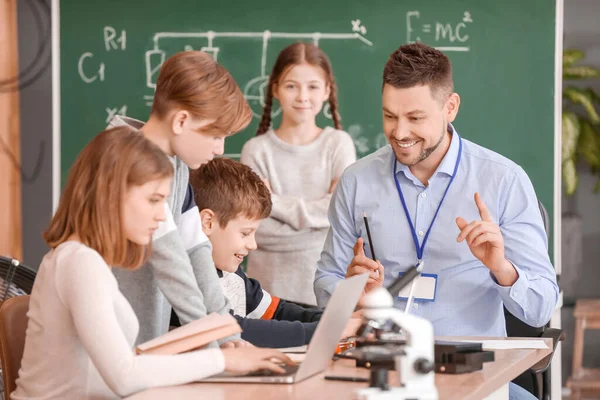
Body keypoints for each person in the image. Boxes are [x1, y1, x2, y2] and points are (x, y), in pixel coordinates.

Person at [313, 42, 558, 400]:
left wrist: (502, 268)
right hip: (382, 372)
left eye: (415, 118)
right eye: (389, 116)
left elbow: (539, 309)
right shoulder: (357, 181)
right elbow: (325, 284)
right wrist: (352, 293)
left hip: (476, 375)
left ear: (450, 108)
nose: (399, 132)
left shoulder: (503, 180)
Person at [12, 127, 292, 400]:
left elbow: (122, 362)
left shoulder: (91, 261)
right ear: (113, 193)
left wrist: (214, 349)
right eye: (154, 200)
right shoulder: (79, 263)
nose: (161, 217)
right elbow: (124, 375)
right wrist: (220, 359)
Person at [107, 50, 252, 344]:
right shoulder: (129, 164)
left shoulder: (176, 166)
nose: (220, 149)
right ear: (181, 121)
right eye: (215, 135)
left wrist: (225, 333)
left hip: (144, 349)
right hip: (111, 351)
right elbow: (173, 266)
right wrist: (212, 345)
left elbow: (196, 250)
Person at [189, 158, 361, 348]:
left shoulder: (233, 274)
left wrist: (338, 319)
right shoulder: (186, 277)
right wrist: (329, 329)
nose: (253, 244)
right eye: (245, 233)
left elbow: (277, 311)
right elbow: (237, 329)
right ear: (208, 223)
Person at [241, 42, 356, 306]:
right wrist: (319, 230)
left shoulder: (338, 144)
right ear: (276, 89)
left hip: (327, 294)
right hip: (265, 298)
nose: (303, 96)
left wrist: (274, 203)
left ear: (327, 90)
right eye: (292, 86)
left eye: (313, 86)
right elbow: (256, 230)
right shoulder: (256, 151)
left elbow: (341, 217)